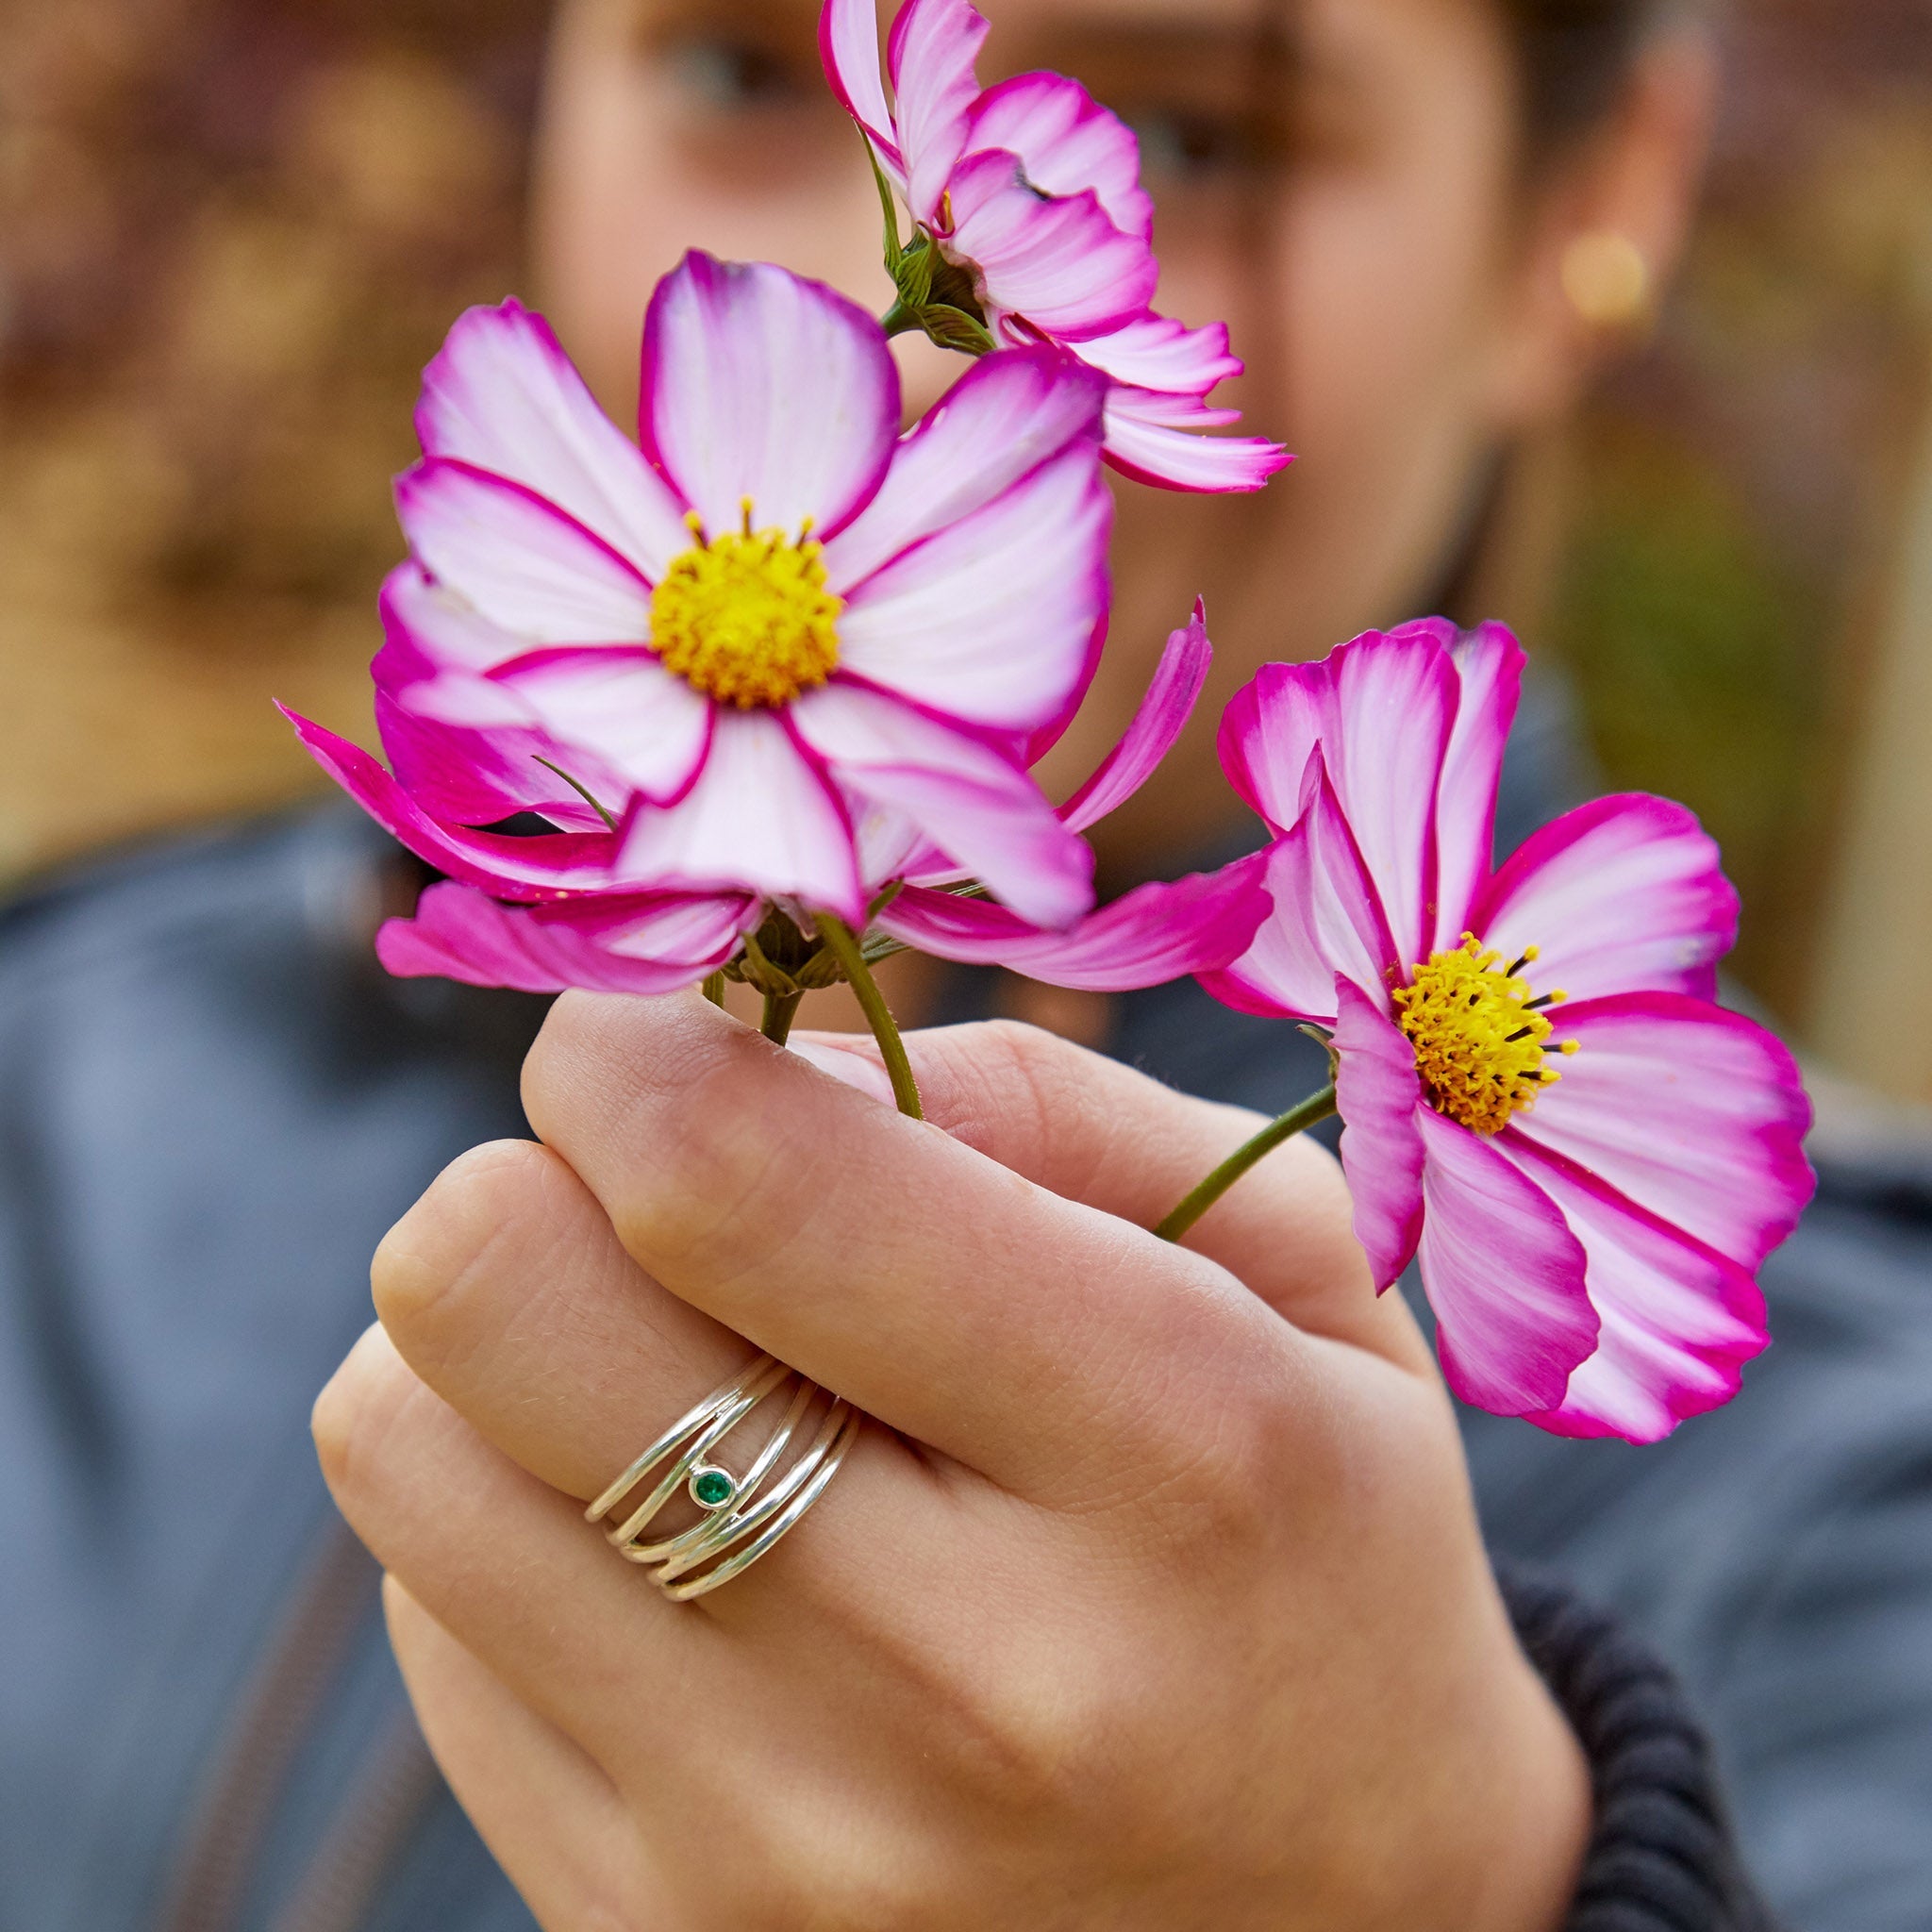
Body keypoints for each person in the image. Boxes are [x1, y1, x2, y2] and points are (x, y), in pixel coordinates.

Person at [4, 1, 1929, 1927]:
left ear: (1591, 205)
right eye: (738, 75)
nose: (898, 338)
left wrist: (1472, 1877)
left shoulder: (1859, 1497)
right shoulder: (65, 1040)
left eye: (1187, 135)